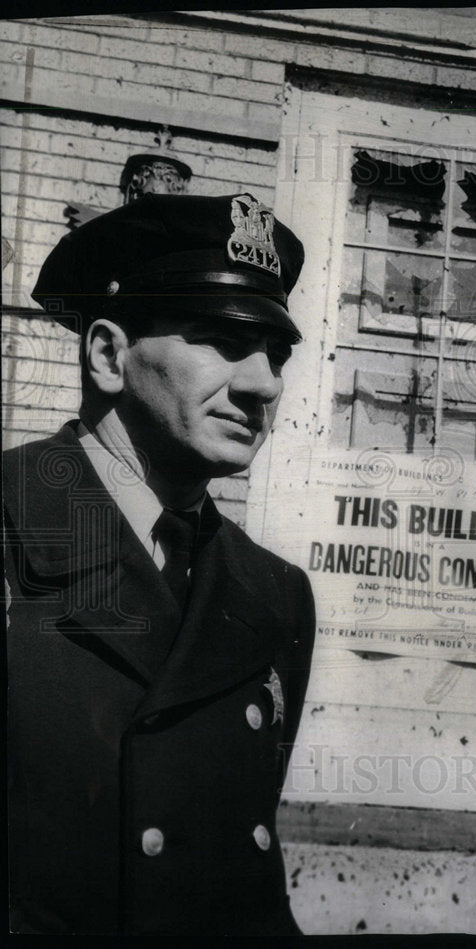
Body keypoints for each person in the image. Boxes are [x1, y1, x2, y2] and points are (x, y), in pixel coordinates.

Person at [4, 192, 316, 934]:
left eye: (275, 351)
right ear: (109, 354)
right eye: (218, 336)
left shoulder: (276, 594)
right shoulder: (12, 524)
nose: (264, 383)